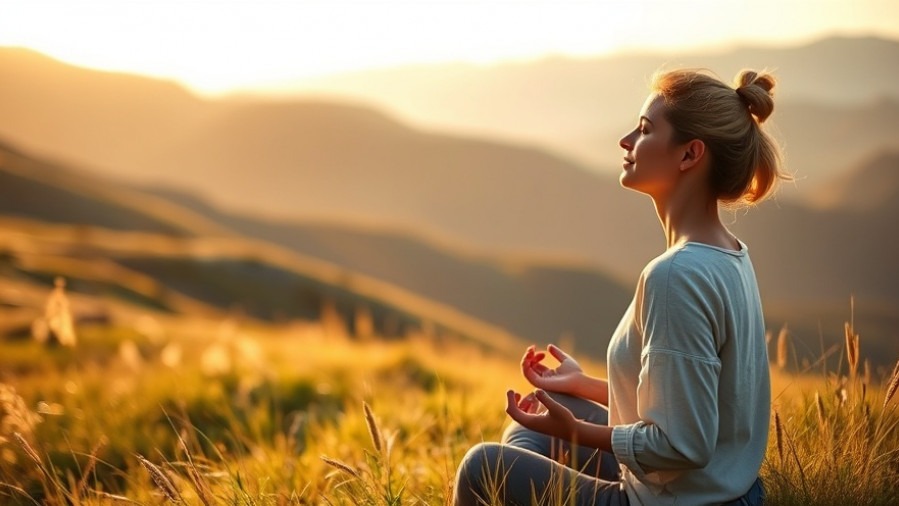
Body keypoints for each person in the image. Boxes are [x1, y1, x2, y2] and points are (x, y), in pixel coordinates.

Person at [453, 68, 788, 505]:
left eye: (645, 130)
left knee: (483, 466)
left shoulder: (677, 275)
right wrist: (581, 386)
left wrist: (575, 432)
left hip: (682, 500)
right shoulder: (728, 254)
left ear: (689, 155)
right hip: (726, 492)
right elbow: (690, 400)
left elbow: (682, 445)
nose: (626, 140)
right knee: (532, 419)